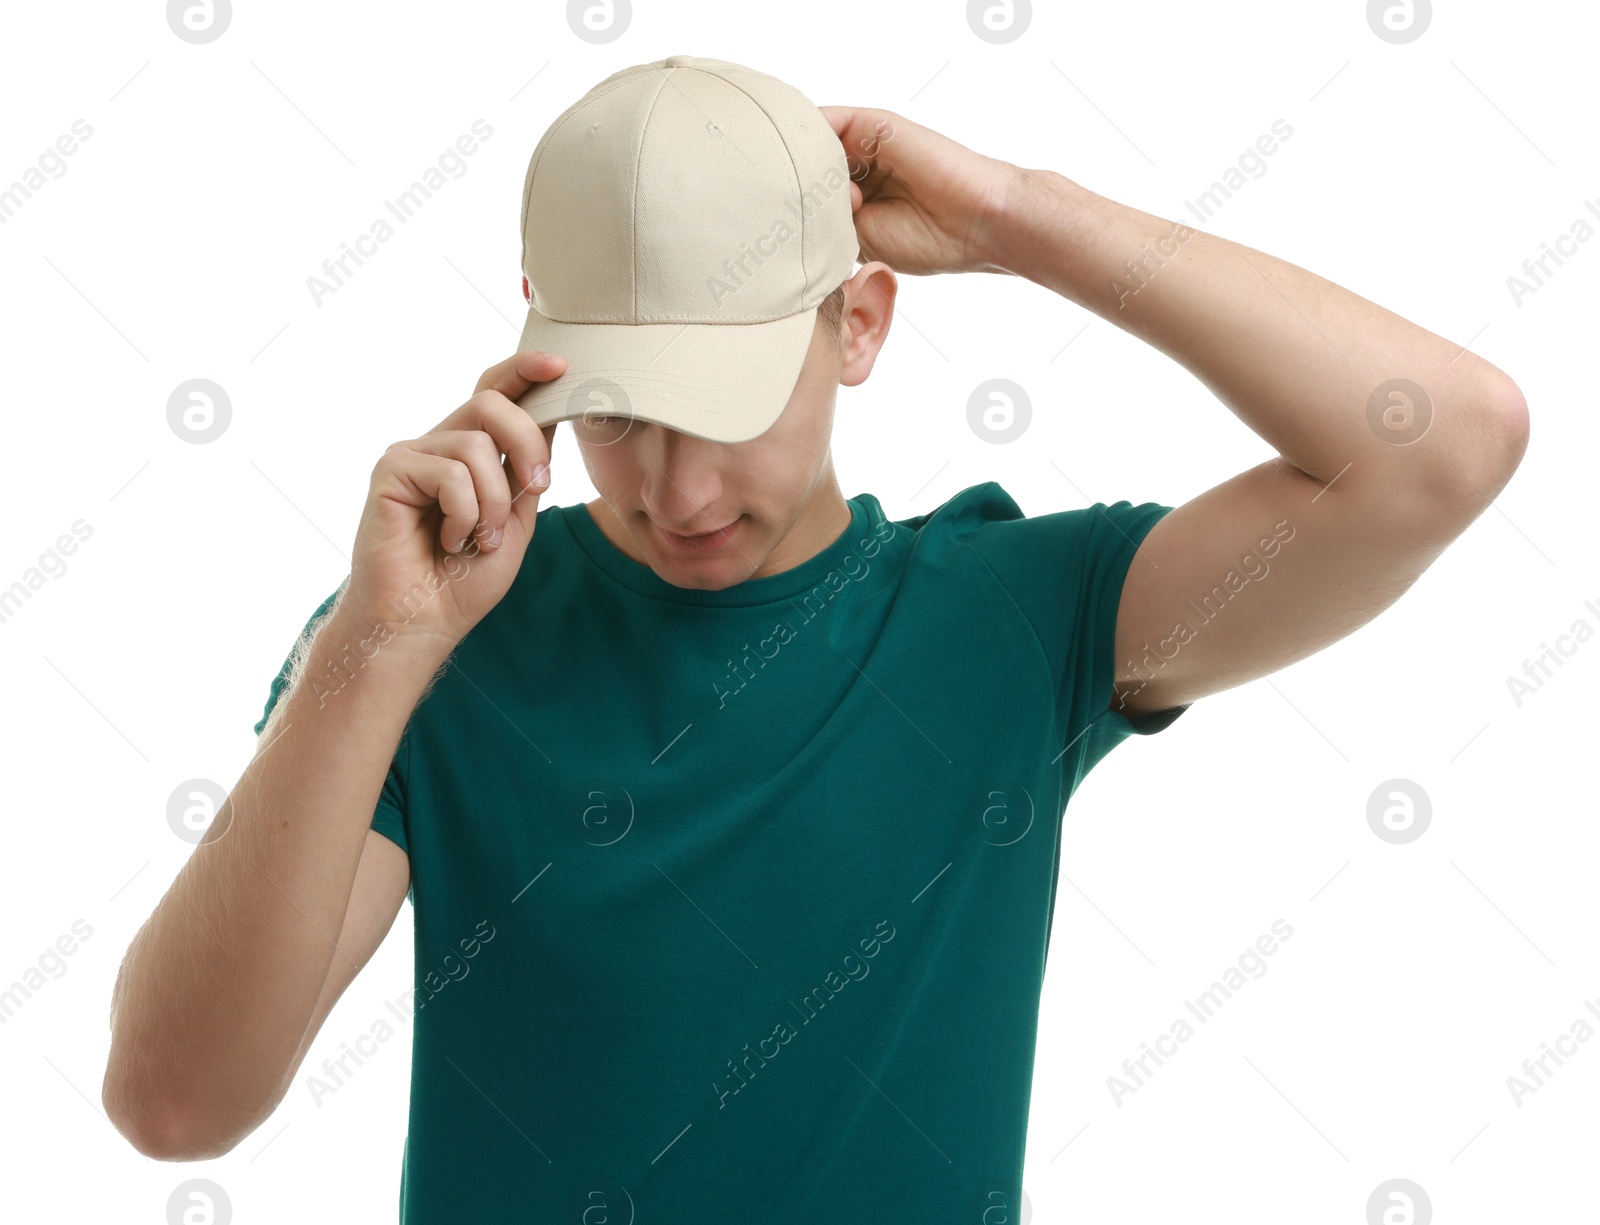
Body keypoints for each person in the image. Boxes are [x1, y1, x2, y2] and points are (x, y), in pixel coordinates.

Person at [101, 55, 1528, 1221]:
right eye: (615, 413)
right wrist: (376, 647)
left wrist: (1021, 217)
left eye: (724, 409)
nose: (677, 489)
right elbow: (173, 1103)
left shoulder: (1015, 617)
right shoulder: (425, 638)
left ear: (859, 322)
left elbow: (1444, 443)